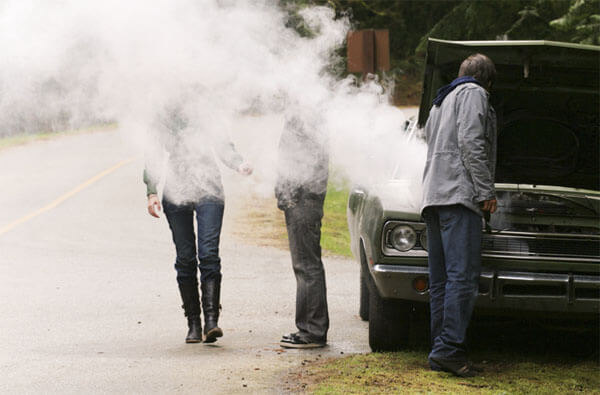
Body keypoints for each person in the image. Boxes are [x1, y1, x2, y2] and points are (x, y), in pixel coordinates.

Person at [144, 102, 252, 344]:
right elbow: (153, 154)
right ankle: (193, 322)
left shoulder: (206, 108)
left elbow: (223, 145)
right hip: (176, 188)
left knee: (209, 253)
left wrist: (238, 163)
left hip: (209, 188)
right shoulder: (161, 113)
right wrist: (151, 191)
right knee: (185, 257)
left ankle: (211, 321)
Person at [421, 53, 497, 377]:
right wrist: (485, 191)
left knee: (441, 282)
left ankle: (441, 348)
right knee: (462, 279)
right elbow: (471, 141)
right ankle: (449, 349)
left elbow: (428, 139)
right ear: (487, 80)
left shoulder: (441, 100)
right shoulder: (475, 94)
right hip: (458, 196)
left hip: (434, 197)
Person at [275, 113, 330, 349]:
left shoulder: (303, 119)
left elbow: (295, 163)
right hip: (303, 198)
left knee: (306, 266)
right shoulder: (306, 118)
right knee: (307, 265)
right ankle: (310, 327)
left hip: (302, 199)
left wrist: (286, 195)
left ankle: (312, 330)